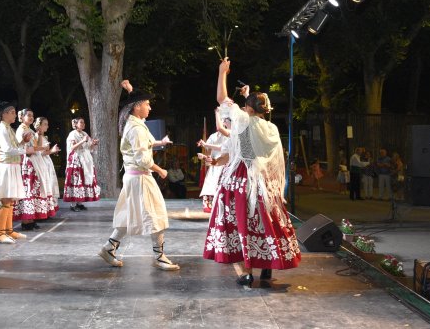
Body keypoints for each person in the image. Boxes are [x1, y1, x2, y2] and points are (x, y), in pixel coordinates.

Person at [203, 58, 301, 287]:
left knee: (243, 223)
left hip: (241, 179)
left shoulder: (243, 121)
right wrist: (249, 100)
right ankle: (267, 267)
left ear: (247, 108)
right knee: (265, 221)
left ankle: (247, 271)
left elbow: (222, 99)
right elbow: (251, 141)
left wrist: (222, 72)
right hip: (264, 183)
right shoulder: (271, 128)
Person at [98, 80, 179, 271]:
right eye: (146, 104)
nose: (150, 107)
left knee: (127, 216)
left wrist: (131, 90)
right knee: (157, 215)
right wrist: (161, 170)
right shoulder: (135, 128)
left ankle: (108, 248)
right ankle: (160, 257)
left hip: (133, 177)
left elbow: (146, 141)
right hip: (141, 177)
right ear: (137, 107)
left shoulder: (133, 122)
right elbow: (143, 159)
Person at [0, 101, 34, 243]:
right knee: (5, 199)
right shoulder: (2, 129)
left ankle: (9, 230)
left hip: (13, 165)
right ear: (4, 114)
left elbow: (13, 146)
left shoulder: (8, 128)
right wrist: (25, 150)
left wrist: (22, 142)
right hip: (6, 165)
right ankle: (1, 233)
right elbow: (7, 149)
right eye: (12, 113)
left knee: (10, 200)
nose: (15, 115)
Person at [14, 108, 55, 229]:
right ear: (22, 117)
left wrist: (40, 135)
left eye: (32, 116)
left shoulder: (30, 129)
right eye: (29, 115)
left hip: (35, 161)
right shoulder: (21, 129)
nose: (31, 118)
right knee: (29, 189)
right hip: (28, 162)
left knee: (35, 189)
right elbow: (23, 147)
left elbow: (37, 145)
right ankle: (26, 220)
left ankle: (31, 218)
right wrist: (41, 148)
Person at [63, 117, 101, 211]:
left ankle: (80, 202)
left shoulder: (84, 134)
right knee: (76, 180)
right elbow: (73, 147)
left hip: (85, 159)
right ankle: (73, 204)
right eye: (81, 122)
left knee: (83, 179)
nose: (83, 124)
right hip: (76, 160)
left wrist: (93, 144)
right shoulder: (72, 134)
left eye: (84, 122)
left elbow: (89, 147)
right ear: (75, 124)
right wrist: (83, 141)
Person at [197, 109, 230, 212]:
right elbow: (208, 152)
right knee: (210, 182)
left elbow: (223, 148)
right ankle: (208, 204)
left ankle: (221, 204)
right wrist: (204, 156)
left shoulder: (229, 133)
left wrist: (206, 145)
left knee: (221, 184)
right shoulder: (212, 136)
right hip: (214, 163)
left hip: (225, 162)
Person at [34, 117, 61, 216]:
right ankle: (42, 210)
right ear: (39, 125)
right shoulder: (37, 136)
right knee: (45, 185)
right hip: (42, 162)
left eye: (47, 124)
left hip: (47, 162)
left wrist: (51, 151)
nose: (47, 126)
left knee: (50, 183)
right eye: (45, 124)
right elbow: (39, 153)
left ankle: (48, 209)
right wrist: (51, 151)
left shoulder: (44, 137)